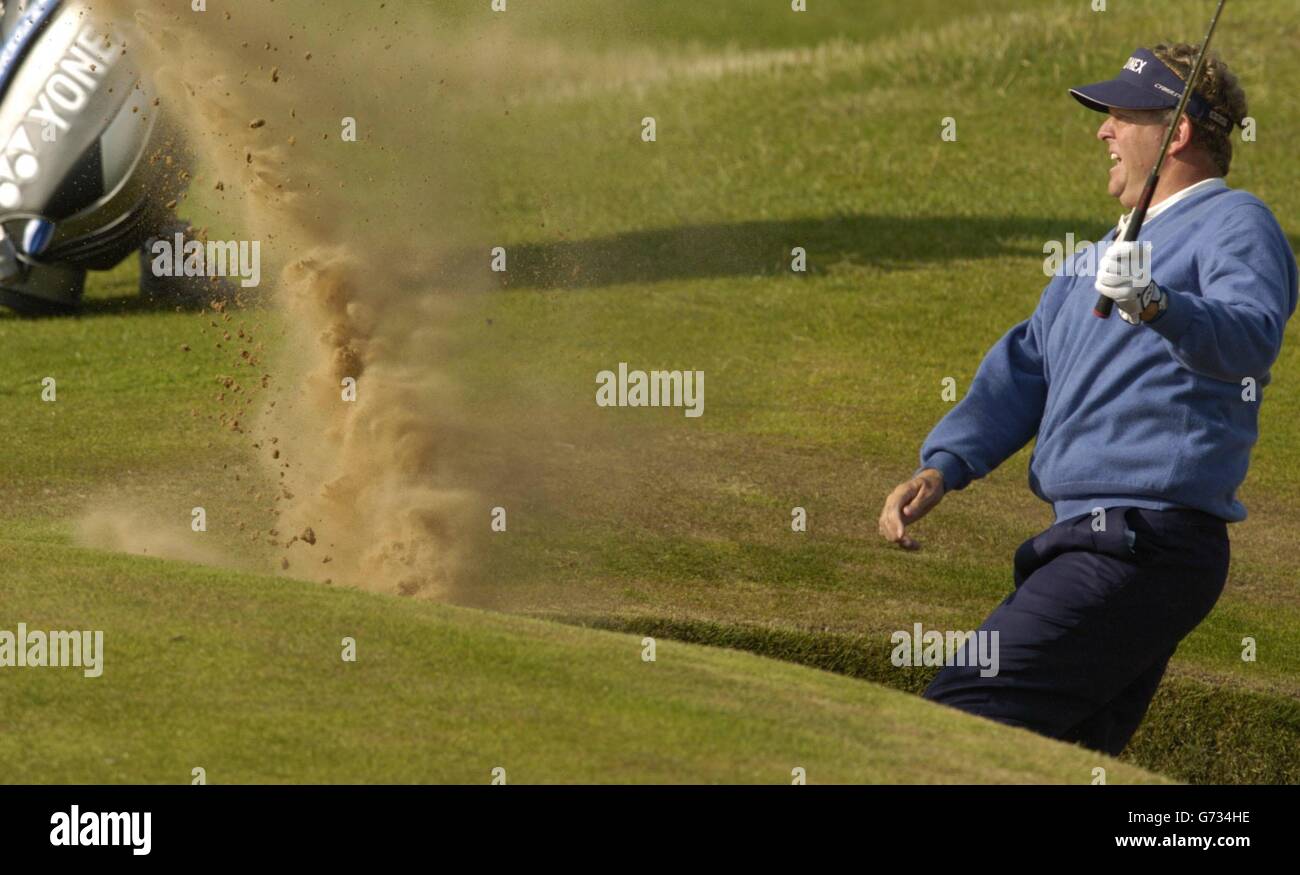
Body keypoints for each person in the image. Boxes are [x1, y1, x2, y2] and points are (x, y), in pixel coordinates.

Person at [876, 43, 1298, 755]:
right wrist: (943, 464)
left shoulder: (1236, 223)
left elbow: (1251, 338)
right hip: (1089, 541)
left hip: (1143, 543)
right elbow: (1026, 366)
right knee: (1055, 759)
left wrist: (1157, 302)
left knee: (953, 722)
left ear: (1178, 132)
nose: (1103, 130)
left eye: (1121, 115)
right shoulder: (1095, 256)